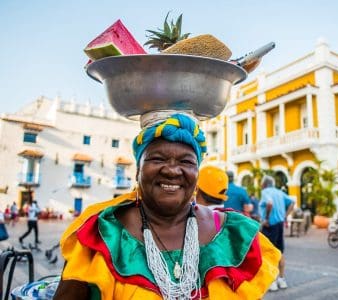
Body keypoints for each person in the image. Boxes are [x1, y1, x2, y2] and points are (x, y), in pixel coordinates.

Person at [54, 114, 281, 299]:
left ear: (197, 174)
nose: (172, 170)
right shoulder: (100, 235)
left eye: (186, 162)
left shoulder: (233, 234)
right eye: (158, 159)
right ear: (137, 171)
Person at [259, 175, 294, 292]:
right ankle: (282, 280)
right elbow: (292, 202)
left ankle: (272, 281)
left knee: (269, 253)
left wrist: (267, 219)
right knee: (279, 252)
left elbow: (269, 203)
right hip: (279, 225)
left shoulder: (265, 192)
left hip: (270, 226)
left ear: (264, 184)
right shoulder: (279, 192)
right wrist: (285, 216)